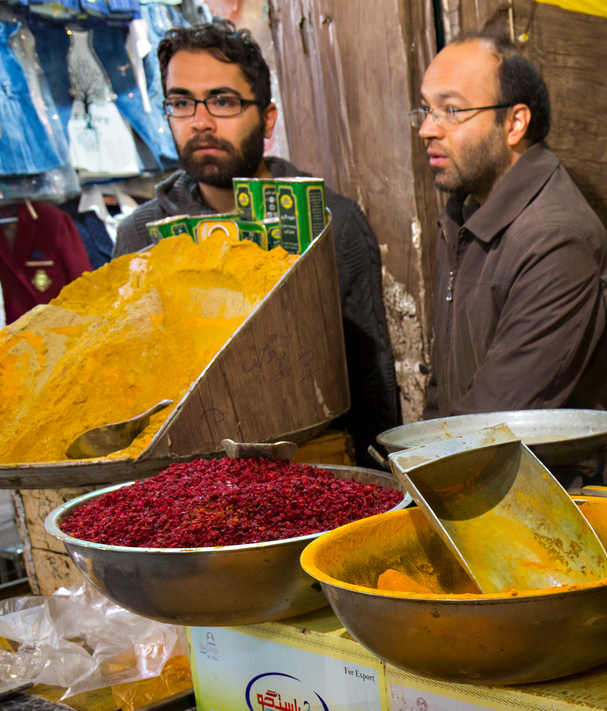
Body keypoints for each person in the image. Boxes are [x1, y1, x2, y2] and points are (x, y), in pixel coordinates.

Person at [114, 21, 399, 452]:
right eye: (181, 102)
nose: (200, 122)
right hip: (185, 486)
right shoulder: (139, 236)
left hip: (316, 472)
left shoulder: (331, 222)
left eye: (223, 101)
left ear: (267, 120)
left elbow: (370, 384)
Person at [418, 34, 607, 416]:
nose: (427, 129)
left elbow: (497, 416)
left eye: (452, 110)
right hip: (461, 464)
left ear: (514, 123)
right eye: (427, 109)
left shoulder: (557, 240)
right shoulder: (462, 215)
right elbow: (441, 386)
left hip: (539, 475)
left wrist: (413, 464)